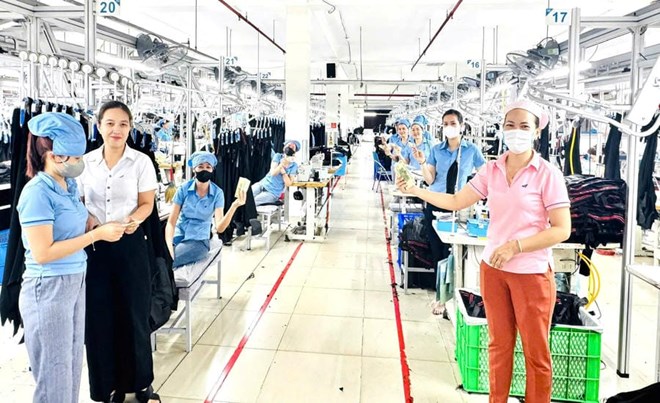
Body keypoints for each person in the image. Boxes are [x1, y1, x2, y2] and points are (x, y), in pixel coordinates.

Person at [398, 100, 571, 403]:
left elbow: (561, 229)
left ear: (536, 131)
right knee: (498, 347)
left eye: (524, 126)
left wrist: (517, 246)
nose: (516, 131)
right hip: (493, 270)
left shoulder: (547, 174)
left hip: (531, 273)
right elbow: (456, 201)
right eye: (510, 125)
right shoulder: (492, 170)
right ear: (502, 129)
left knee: (536, 353)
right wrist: (415, 190)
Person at [17, 113, 124, 403]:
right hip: (48, 287)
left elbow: (72, 218)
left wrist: (91, 221)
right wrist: (96, 236)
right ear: (54, 156)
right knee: (54, 374)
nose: (79, 162)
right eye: (75, 157)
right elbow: (43, 253)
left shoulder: (67, 186)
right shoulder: (37, 193)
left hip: (76, 279)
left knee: (72, 365)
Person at [77, 101, 161, 403]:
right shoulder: (84, 162)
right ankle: (107, 386)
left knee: (134, 313)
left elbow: (147, 204)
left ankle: (140, 383)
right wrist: (89, 218)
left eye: (123, 124)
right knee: (98, 316)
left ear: (130, 128)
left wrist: (131, 221)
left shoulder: (140, 162)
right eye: (110, 123)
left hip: (130, 244)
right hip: (94, 246)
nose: (116, 129)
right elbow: (79, 201)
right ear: (99, 126)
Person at [411, 109, 485, 299]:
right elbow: (429, 179)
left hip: (459, 206)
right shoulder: (436, 150)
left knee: (454, 250)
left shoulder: (472, 150)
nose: (449, 127)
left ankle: (456, 293)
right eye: (445, 124)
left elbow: (485, 175)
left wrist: (475, 194)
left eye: (453, 123)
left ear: (462, 126)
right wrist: (422, 162)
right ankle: (441, 295)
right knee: (436, 249)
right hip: (436, 202)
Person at [165, 151, 246, 267]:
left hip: (198, 241)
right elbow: (171, 222)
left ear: (212, 169)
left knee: (167, 261)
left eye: (208, 167)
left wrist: (234, 206)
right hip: (178, 235)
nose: (204, 170)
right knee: (160, 255)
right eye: (200, 166)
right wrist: (168, 245)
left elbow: (220, 228)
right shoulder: (183, 189)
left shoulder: (217, 193)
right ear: (194, 169)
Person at [252, 140, 300, 206]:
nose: (290, 148)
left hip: (273, 192)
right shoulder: (278, 156)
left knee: (253, 202)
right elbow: (273, 173)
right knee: (246, 195)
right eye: (289, 145)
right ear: (284, 148)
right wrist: (281, 164)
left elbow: (288, 183)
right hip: (263, 184)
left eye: (293, 147)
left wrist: (283, 172)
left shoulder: (294, 165)